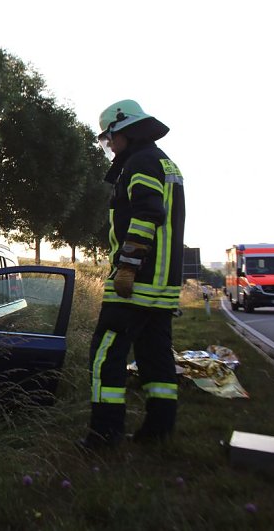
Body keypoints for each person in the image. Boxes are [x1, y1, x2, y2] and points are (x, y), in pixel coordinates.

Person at [78, 99, 186, 450]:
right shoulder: (163, 162)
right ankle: (158, 433)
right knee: (156, 358)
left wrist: (127, 266)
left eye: (110, 138)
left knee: (105, 355)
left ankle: (104, 435)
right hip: (162, 285)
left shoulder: (140, 162)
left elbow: (147, 214)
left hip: (136, 283)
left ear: (125, 130)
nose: (109, 145)